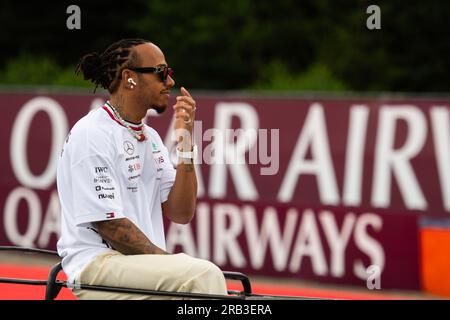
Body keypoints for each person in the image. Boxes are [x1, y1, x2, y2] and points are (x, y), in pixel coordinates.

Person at [56, 38, 228, 299]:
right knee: (203, 277)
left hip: (138, 268)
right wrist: (169, 263)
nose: (169, 82)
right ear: (129, 78)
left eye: (169, 73)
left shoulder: (150, 138)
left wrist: (186, 142)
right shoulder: (92, 134)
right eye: (161, 72)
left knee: (197, 280)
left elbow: (181, 212)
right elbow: (110, 227)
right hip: (97, 268)